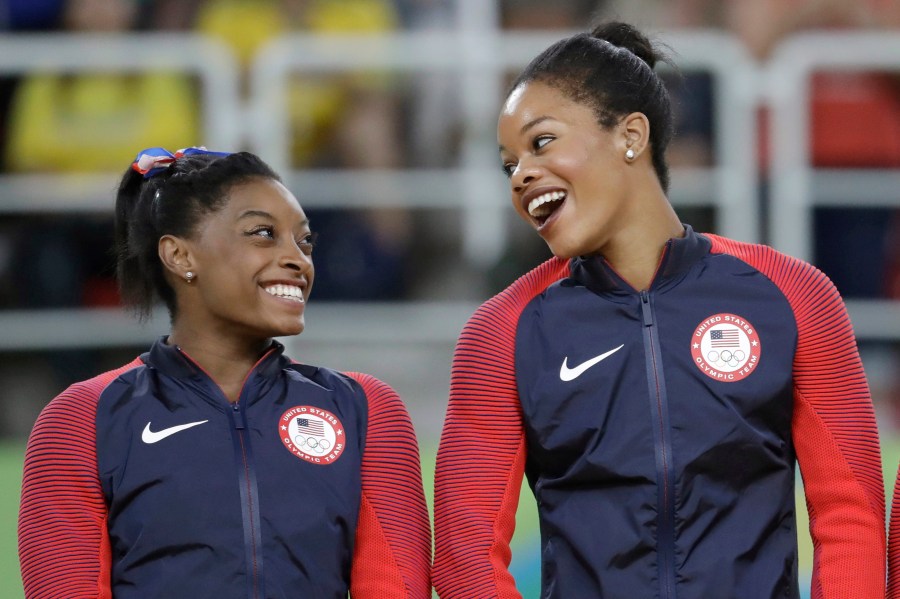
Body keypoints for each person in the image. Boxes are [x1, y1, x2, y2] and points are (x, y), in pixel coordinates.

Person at [432, 21, 885, 598]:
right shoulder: (501, 332)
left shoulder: (794, 296)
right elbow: (464, 552)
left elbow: (852, 519)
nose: (521, 176)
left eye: (541, 142)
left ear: (631, 135)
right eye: (508, 164)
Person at [17, 147, 432, 598]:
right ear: (179, 256)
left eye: (305, 241)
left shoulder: (364, 409)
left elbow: (395, 588)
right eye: (263, 234)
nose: (298, 259)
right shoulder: (80, 421)